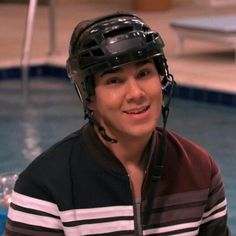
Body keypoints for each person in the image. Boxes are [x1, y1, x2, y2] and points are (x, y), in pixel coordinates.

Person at [5, 12, 230, 236]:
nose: (135, 93)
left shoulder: (199, 170)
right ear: (89, 97)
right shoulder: (44, 186)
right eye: (114, 80)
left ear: (162, 78)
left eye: (144, 73)